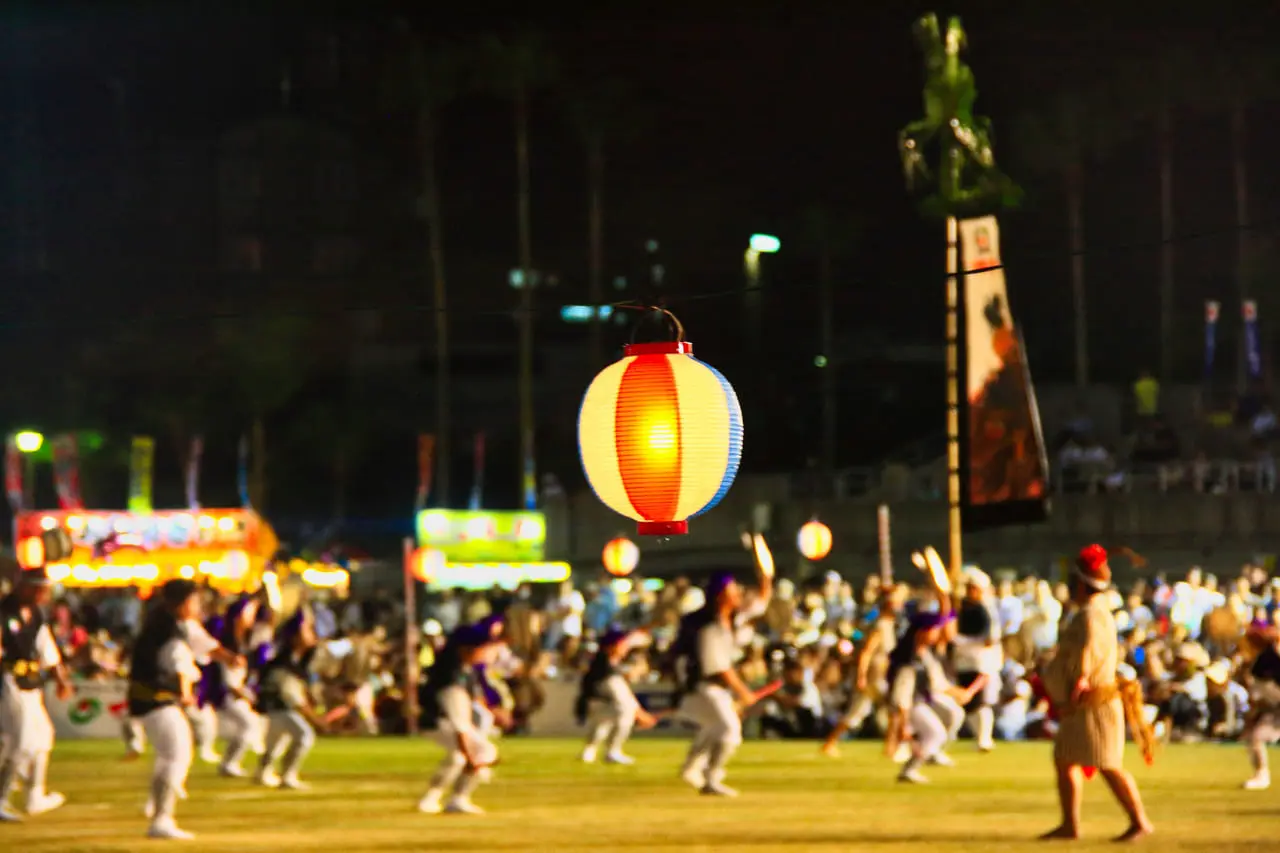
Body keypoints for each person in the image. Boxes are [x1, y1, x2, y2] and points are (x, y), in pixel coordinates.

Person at [1039, 545, 1153, 842]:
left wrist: (1078, 684)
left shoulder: (1091, 615)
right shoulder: (1092, 612)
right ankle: (1070, 825)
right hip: (1086, 701)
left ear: (1079, 584)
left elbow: (1088, 652)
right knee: (1065, 759)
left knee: (1109, 764)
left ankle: (1139, 821)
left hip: (1093, 701)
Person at [673, 548, 773, 797]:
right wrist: (743, 691)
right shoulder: (710, 627)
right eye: (733, 589)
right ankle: (712, 778)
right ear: (721, 596)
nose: (739, 592)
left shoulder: (733, 619)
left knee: (714, 727)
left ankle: (691, 767)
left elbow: (762, 599)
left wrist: (766, 576)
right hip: (702, 687)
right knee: (729, 731)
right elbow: (720, 668)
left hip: (712, 688)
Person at [126, 579, 205, 840]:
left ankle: (156, 807)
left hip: (147, 699)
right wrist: (185, 693)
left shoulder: (158, 622)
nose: (197, 605)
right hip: (158, 698)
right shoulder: (169, 628)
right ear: (182, 603)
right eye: (194, 600)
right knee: (177, 753)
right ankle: (162, 819)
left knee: (168, 755)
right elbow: (178, 662)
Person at [885, 589, 983, 784]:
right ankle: (910, 769)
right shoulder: (910, 662)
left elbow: (938, 683)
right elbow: (902, 696)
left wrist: (959, 693)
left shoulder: (924, 656)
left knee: (951, 717)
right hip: (912, 705)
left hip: (921, 701)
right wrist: (904, 724)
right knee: (935, 733)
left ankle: (926, 756)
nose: (938, 633)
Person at [0, 567, 73, 821]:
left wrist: (61, 679)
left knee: (43, 737)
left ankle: (34, 796)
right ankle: (2, 797)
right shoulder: (4, 613)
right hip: (8, 684)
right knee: (18, 742)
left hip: (31, 685)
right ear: (27, 587)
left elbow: (47, 651)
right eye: (41, 589)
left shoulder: (37, 616)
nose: (44, 594)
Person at [417, 616, 505, 815]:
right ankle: (457, 798)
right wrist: (471, 755)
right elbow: (459, 724)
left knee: (457, 758)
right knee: (482, 751)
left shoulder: (462, 670)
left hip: (440, 721)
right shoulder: (452, 676)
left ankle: (433, 799)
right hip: (438, 723)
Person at [255, 608, 326, 790]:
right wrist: (314, 717)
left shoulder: (299, 659)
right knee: (304, 736)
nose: (312, 634)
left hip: (277, 705)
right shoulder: (283, 660)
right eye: (306, 629)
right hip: (277, 705)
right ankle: (287, 775)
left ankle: (263, 772)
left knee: (276, 742)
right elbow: (291, 695)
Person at [577, 628, 656, 765]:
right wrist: (640, 713)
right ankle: (613, 751)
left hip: (598, 702)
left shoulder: (604, 663)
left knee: (604, 720)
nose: (624, 649)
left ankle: (589, 752)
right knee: (625, 712)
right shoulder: (605, 665)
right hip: (598, 700)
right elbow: (622, 695)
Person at [212, 596, 265, 778]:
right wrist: (240, 693)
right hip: (227, 693)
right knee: (248, 724)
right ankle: (230, 763)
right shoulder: (228, 643)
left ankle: (229, 762)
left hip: (237, 691)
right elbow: (225, 675)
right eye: (248, 614)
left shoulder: (244, 641)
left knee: (250, 725)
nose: (251, 618)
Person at [953, 568, 1002, 752]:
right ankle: (980, 737)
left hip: (980, 661)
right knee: (969, 704)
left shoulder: (986, 609)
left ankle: (984, 738)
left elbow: (988, 638)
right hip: (964, 660)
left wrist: (964, 641)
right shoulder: (965, 607)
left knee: (980, 701)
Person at [1241, 626, 1280, 790]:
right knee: (1255, 737)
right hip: (1274, 709)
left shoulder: (1269, 657)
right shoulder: (1262, 660)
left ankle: (1262, 775)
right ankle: (1261, 775)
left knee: (1256, 737)